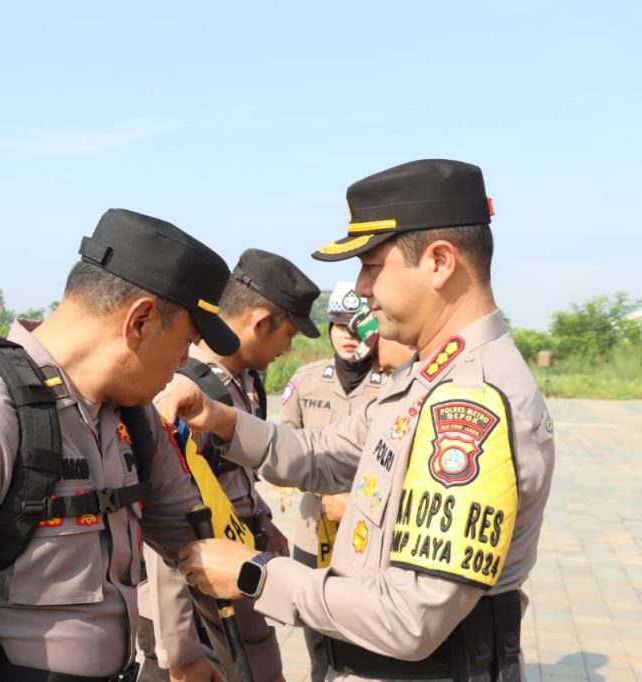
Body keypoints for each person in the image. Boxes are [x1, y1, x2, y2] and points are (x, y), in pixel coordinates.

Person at [167, 159, 555, 681]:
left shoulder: (471, 404)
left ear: (439, 262)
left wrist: (253, 573)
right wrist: (219, 418)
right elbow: (324, 453)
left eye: (372, 266)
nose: (361, 287)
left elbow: (409, 619)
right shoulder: (426, 377)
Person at [0, 208, 240, 680]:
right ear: (139, 321)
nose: (185, 360)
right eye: (186, 341)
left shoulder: (129, 417)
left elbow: (200, 542)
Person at [138, 248, 321, 682]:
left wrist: (262, 519)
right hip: (195, 609)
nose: (288, 348)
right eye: (289, 334)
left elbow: (229, 482)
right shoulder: (186, 393)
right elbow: (165, 529)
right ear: (259, 322)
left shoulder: (243, 383)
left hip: (236, 587)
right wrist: (180, 650)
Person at [279, 284, 414, 681]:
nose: (346, 336)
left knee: (359, 631)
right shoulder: (305, 382)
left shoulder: (392, 383)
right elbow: (287, 442)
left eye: (354, 329)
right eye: (338, 326)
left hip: (368, 535)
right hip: (311, 531)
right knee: (314, 632)